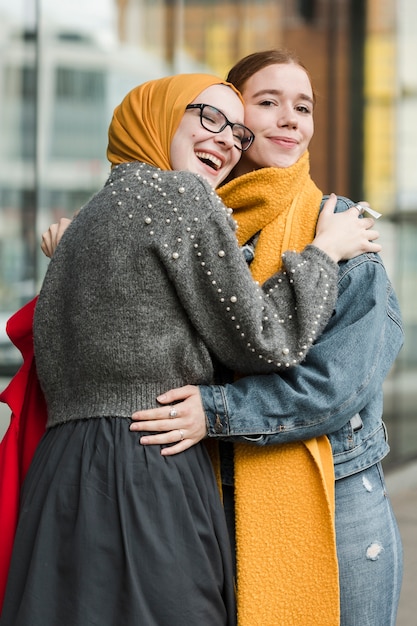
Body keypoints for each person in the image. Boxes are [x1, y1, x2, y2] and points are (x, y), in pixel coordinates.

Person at [0, 73, 379, 626]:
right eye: (208, 117)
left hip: (60, 478)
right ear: (157, 119)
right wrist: (323, 250)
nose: (227, 139)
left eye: (237, 132)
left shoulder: (84, 225)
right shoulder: (181, 197)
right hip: (148, 465)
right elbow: (267, 340)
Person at [125, 51, 404, 626]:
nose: (290, 119)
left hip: (337, 495)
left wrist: (216, 412)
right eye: (268, 103)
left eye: (302, 107)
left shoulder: (340, 228)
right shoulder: (195, 226)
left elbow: (336, 386)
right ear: (230, 117)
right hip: (207, 488)